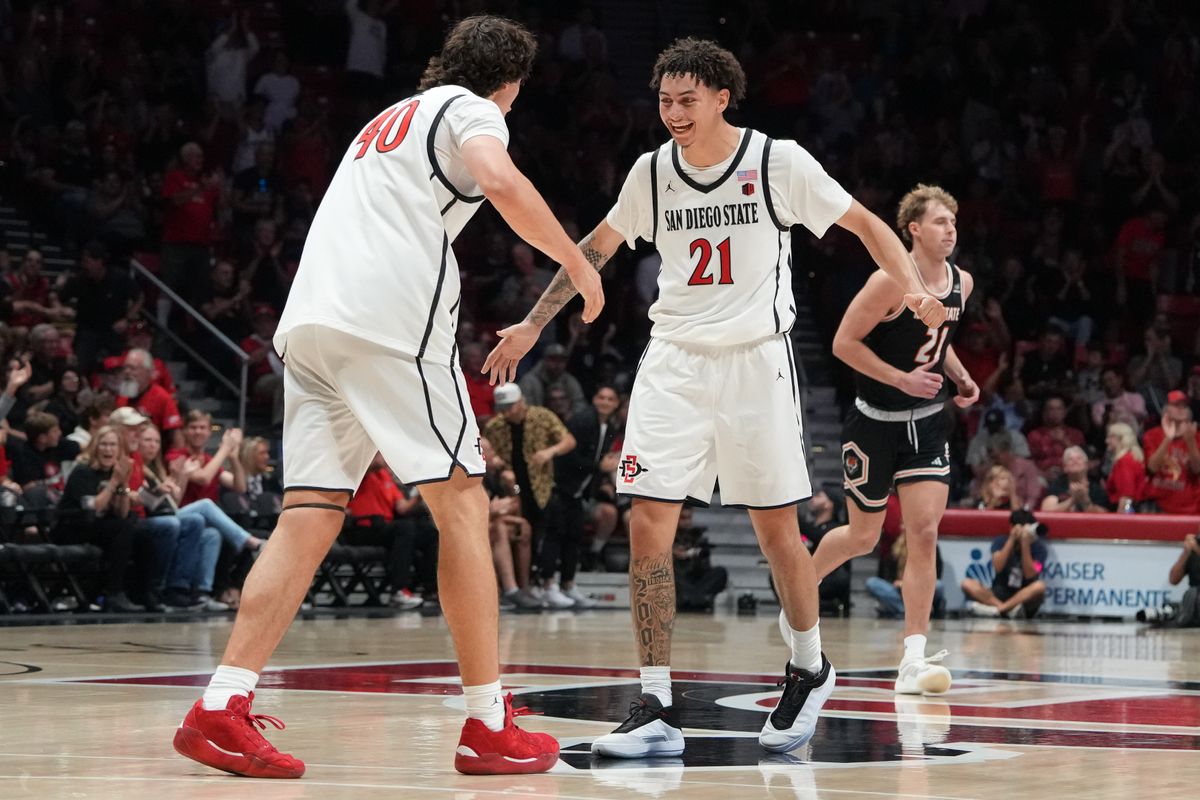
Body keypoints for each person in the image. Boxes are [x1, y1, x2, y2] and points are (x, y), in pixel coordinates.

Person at [483, 37, 945, 758]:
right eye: (664, 101)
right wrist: (533, 324)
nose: (673, 113)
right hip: (673, 361)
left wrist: (912, 288)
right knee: (646, 525)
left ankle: (809, 666)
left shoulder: (776, 162)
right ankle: (655, 703)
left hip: (756, 361)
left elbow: (868, 225)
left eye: (687, 100)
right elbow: (594, 248)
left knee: (776, 532)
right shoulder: (651, 172)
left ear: (722, 98)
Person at [173, 15, 600, 779]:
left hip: (311, 325)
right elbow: (500, 180)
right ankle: (487, 723)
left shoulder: (387, 118)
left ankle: (220, 707)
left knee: (308, 515)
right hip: (387, 322)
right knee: (463, 503)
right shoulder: (471, 108)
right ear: (508, 83)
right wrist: (576, 263)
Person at [808, 184, 975, 697]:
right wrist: (900, 379)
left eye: (953, 221)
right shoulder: (887, 282)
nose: (950, 229)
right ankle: (800, 588)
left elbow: (938, 342)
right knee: (862, 537)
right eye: (941, 221)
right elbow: (843, 343)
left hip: (926, 424)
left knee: (924, 532)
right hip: (874, 421)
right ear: (914, 229)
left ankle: (913, 660)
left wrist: (960, 376)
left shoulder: (962, 283)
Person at [482, 383, 577, 608]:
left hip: (540, 484)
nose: (507, 411)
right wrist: (499, 468)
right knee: (524, 529)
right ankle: (520, 586)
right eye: (502, 407)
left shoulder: (542, 417)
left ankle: (542, 583)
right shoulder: (495, 426)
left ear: (521, 401)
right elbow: (486, 454)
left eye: (511, 406)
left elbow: (569, 440)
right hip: (510, 487)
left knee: (548, 529)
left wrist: (549, 451)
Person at [961, 509, 1048, 618]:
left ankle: (998, 610)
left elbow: (1030, 574)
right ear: (1011, 527)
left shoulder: (1040, 549)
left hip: (1023, 597)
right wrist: (1011, 539)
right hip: (999, 593)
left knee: (1039, 586)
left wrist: (1025, 545)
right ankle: (1006, 609)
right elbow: (998, 567)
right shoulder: (1000, 541)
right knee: (967, 583)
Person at [1142, 390, 1200, 514]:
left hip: (1189, 507)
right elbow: (1152, 467)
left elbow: (1197, 469)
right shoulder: (1152, 435)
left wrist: (1190, 441)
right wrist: (1168, 438)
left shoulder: (1196, 436)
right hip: (1157, 506)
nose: (1181, 409)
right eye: (1176, 405)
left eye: (1184, 406)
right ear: (1166, 410)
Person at [1040, 446, 1109, 512]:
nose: (1075, 461)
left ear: (1086, 465)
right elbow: (1046, 510)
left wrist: (1085, 501)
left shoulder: (1096, 488)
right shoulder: (1056, 486)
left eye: (1079, 458)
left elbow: (1105, 515)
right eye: (1070, 459)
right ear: (1065, 468)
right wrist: (1073, 499)